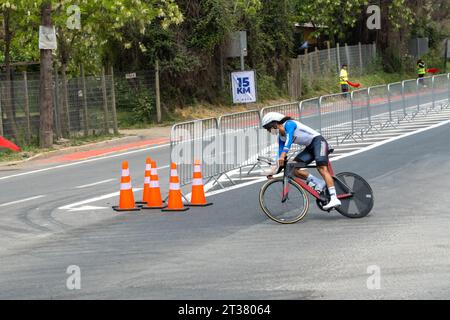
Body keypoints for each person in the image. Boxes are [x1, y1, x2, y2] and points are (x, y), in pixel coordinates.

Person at [262, 112, 341, 210]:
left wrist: (283, 155)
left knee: (321, 168)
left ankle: (334, 198)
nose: (269, 131)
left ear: (274, 124)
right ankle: (319, 183)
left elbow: (289, 139)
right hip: (310, 148)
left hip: (318, 141)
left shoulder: (289, 124)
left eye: (268, 128)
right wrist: (274, 171)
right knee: (293, 168)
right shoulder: (281, 137)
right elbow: (279, 154)